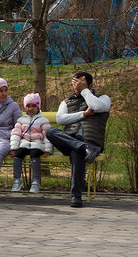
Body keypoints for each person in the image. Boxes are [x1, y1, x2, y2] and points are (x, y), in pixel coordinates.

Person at [45, 71, 110, 208]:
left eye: (81, 84)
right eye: (75, 83)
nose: (77, 87)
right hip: (70, 140)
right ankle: (83, 148)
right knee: (50, 130)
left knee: (76, 152)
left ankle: (76, 196)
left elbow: (96, 107)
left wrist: (85, 91)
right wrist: (84, 114)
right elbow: (60, 119)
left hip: (91, 141)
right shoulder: (67, 101)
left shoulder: (102, 98)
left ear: (90, 85)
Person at [10, 93, 52, 193]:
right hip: (24, 143)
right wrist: (13, 148)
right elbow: (16, 134)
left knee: (34, 155)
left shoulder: (43, 121)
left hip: (37, 144)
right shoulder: (21, 120)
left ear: (38, 107)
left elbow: (47, 136)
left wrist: (48, 150)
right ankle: (17, 180)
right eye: (28, 106)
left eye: (34, 106)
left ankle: (36, 181)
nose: (30, 108)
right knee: (18, 155)